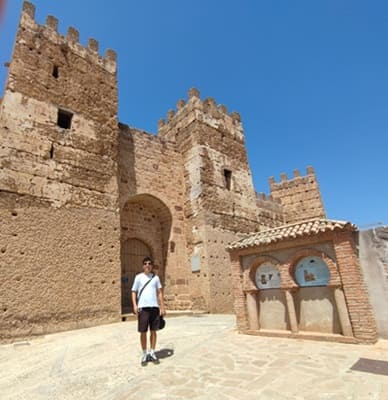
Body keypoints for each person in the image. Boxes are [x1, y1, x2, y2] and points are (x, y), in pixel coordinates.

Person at [131, 256, 166, 366]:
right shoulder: (138, 277)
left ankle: (152, 352)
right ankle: (144, 353)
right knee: (143, 332)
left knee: (153, 331)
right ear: (143, 266)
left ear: (151, 265)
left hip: (154, 308)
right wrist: (135, 305)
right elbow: (133, 291)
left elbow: (159, 292)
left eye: (149, 263)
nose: (147, 265)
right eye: (145, 263)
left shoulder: (155, 278)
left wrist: (162, 306)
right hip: (143, 308)